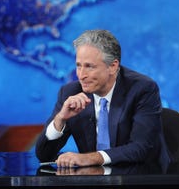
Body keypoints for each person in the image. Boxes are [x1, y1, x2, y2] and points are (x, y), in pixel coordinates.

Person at [35, 29, 169, 169]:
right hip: (95, 183)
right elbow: (44, 155)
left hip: (143, 180)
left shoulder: (142, 89)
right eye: (78, 65)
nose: (81, 75)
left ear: (112, 66)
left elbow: (140, 148)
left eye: (89, 67)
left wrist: (90, 158)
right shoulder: (70, 93)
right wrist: (60, 119)